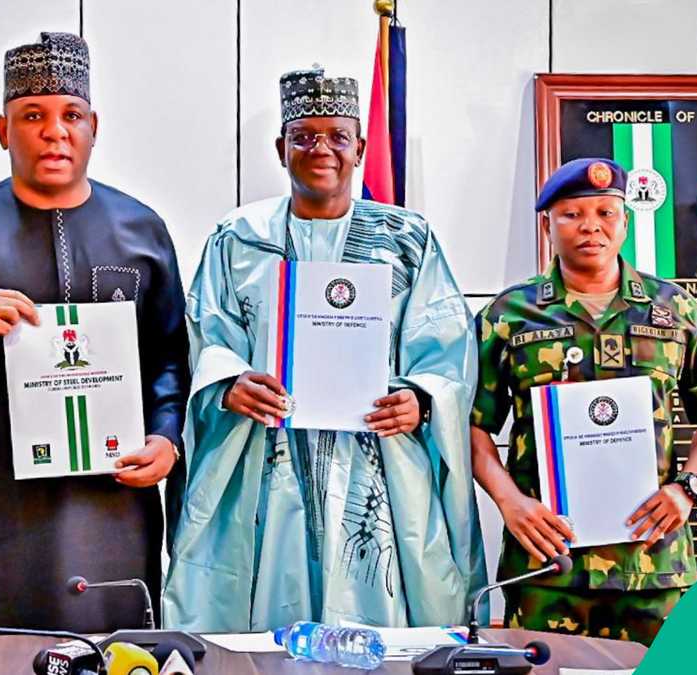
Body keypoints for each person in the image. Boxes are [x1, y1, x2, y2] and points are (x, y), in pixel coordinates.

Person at [0, 32, 190, 632]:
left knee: (117, 656)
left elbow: (169, 359)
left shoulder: (142, 231)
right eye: (32, 116)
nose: (54, 132)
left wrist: (166, 439)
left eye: (71, 115)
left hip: (111, 505)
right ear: (3, 130)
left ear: (94, 127)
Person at [162, 66, 486, 631]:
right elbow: (206, 333)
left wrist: (420, 399)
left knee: (374, 621)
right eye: (304, 135)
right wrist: (229, 384)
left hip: (376, 463)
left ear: (360, 148)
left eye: (338, 136)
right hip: (265, 460)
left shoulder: (407, 240)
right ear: (281, 148)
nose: (321, 149)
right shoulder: (238, 238)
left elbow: (445, 347)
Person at [470, 157, 697, 645]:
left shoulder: (674, 308)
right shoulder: (508, 315)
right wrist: (510, 503)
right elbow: (472, 425)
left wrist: (689, 487)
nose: (590, 226)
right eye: (572, 214)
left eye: (605, 212)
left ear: (625, 223)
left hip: (653, 566)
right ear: (547, 225)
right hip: (548, 566)